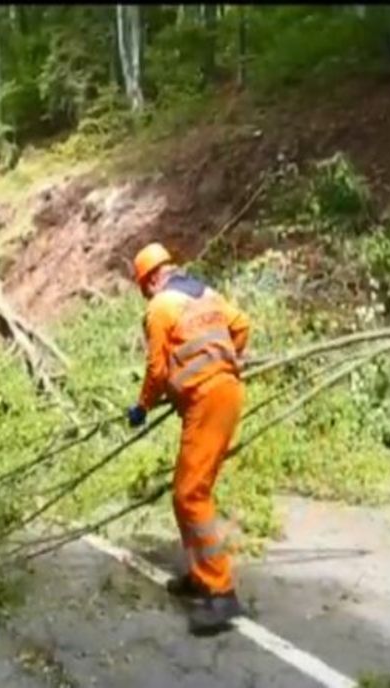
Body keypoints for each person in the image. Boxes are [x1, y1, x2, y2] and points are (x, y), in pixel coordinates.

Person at [127, 242, 251, 636]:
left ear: (148, 280)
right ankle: (200, 575)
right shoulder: (206, 294)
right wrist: (227, 360)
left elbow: (157, 368)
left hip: (207, 398)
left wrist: (143, 406)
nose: (146, 293)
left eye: (144, 286)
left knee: (190, 495)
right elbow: (242, 326)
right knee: (189, 492)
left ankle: (221, 592)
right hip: (225, 392)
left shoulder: (160, 307)